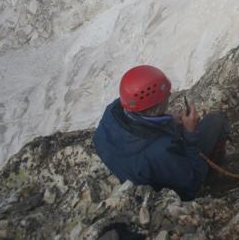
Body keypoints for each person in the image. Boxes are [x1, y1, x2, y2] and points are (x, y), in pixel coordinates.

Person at [93, 65, 229, 201]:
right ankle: (212, 176)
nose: (169, 95)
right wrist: (190, 134)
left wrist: (168, 119)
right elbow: (191, 185)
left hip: (136, 168)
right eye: (165, 96)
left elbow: (144, 121)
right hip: (170, 180)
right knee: (216, 121)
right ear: (155, 109)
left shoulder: (113, 111)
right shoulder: (160, 151)